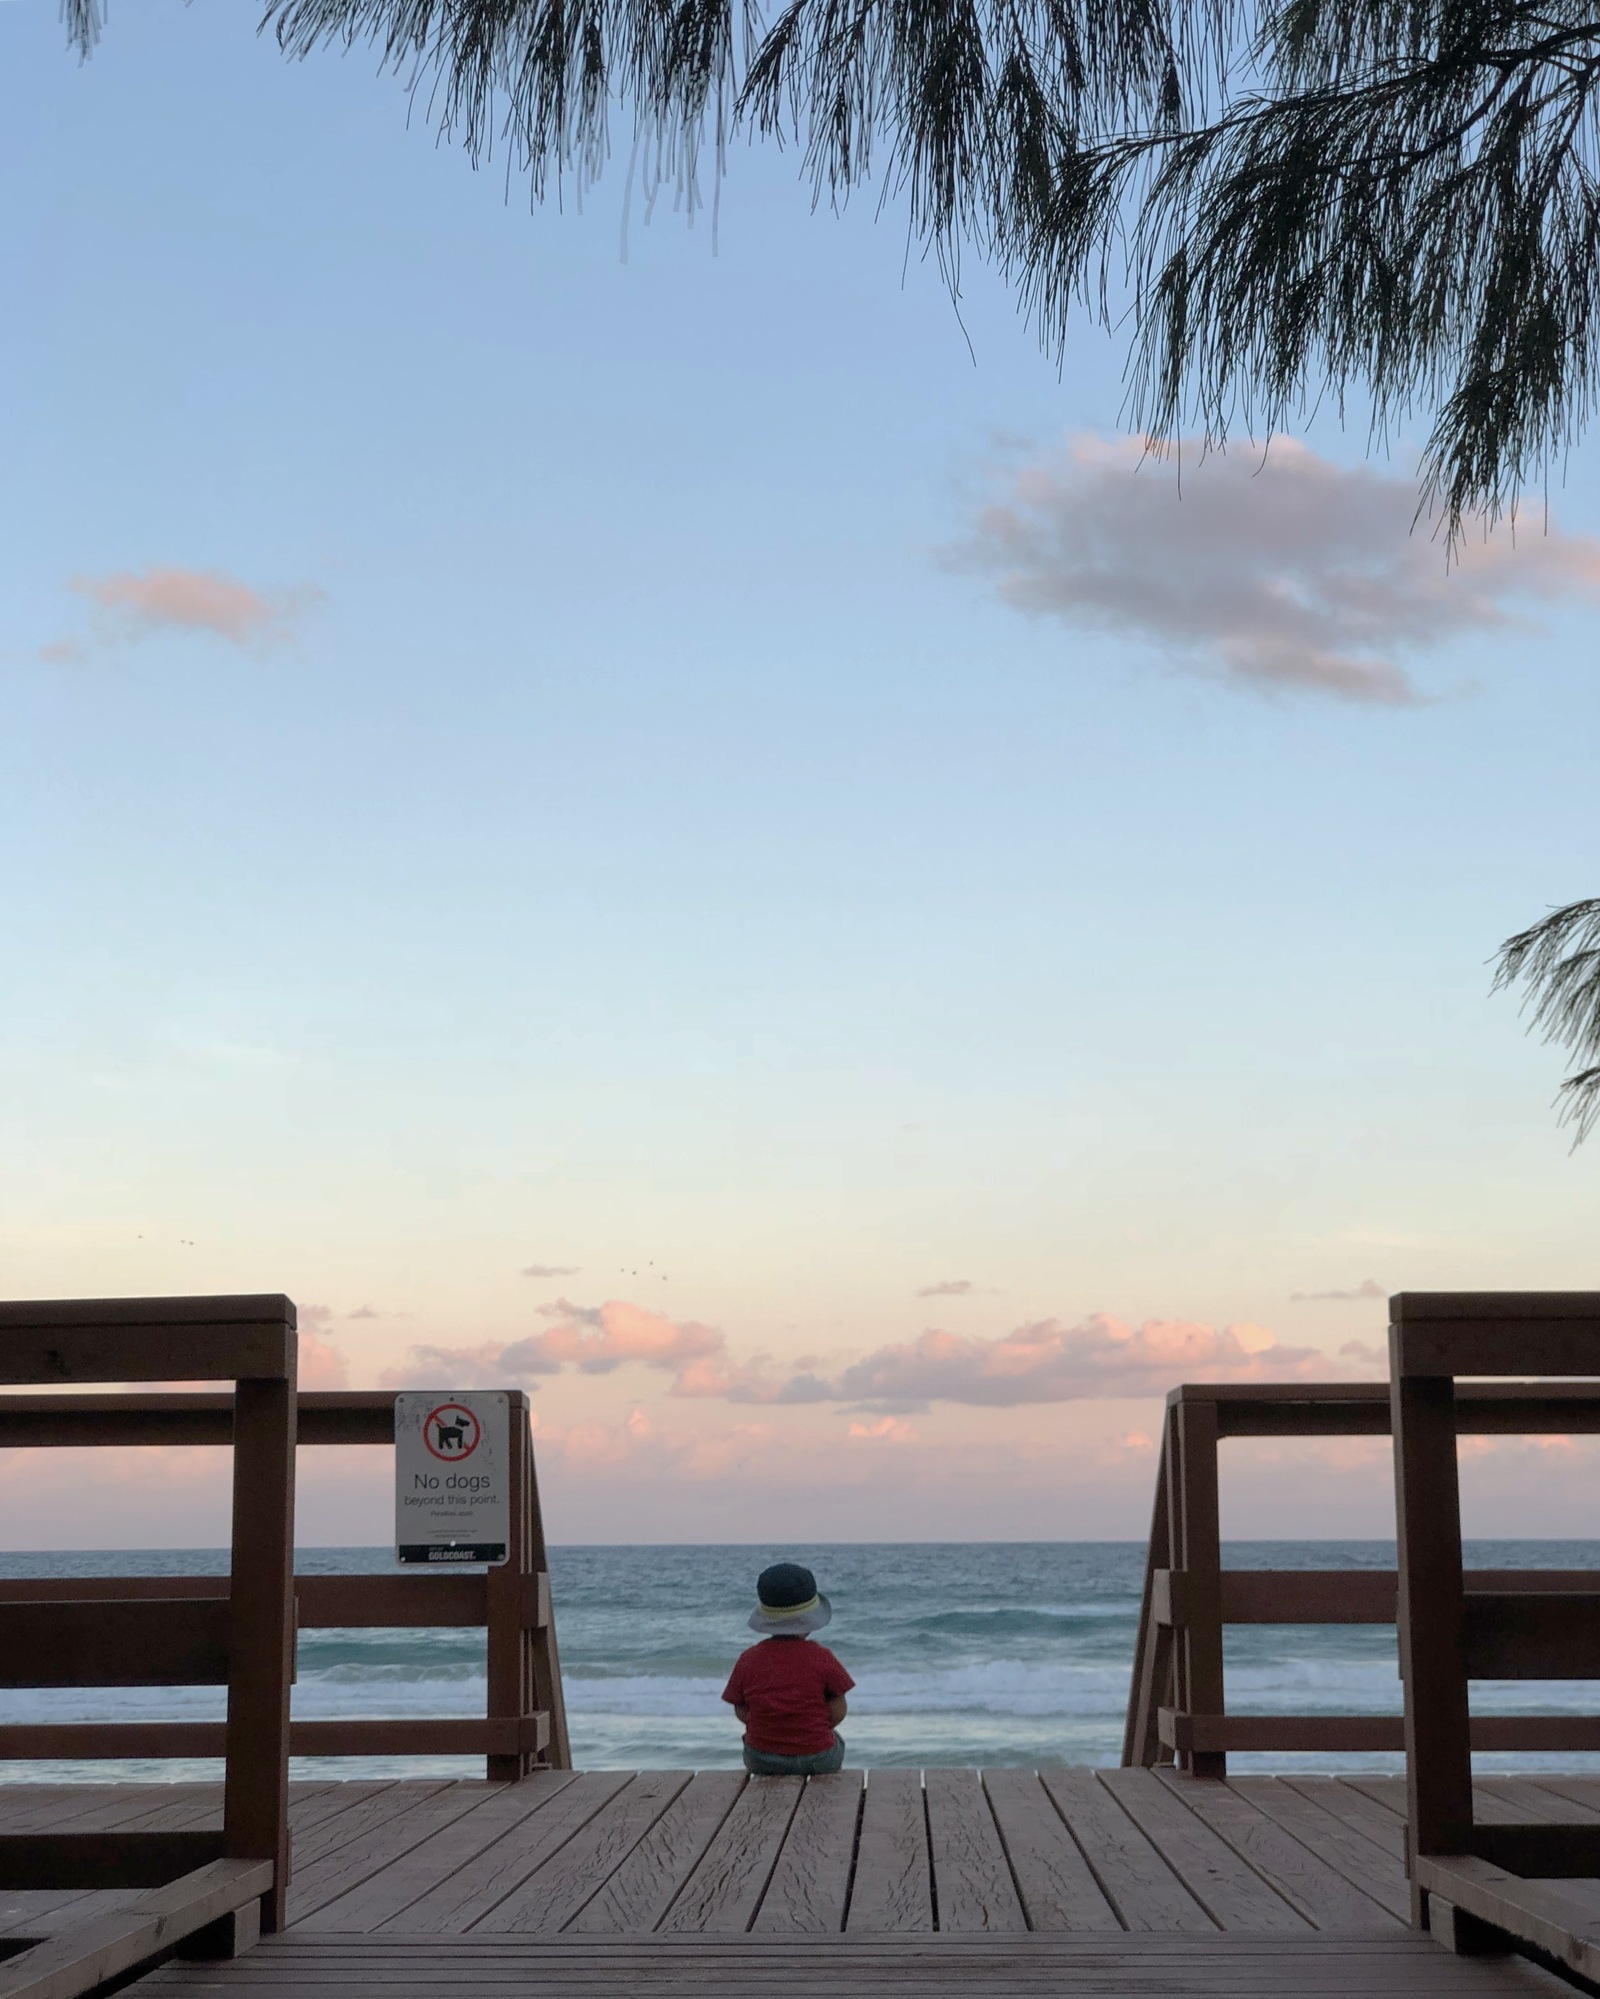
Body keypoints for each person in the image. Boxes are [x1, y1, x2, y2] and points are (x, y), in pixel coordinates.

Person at [721, 1561, 854, 1775]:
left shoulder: (748, 1659)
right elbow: (838, 1710)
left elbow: (741, 1710)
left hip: (762, 1759)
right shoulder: (822, 1656)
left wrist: (770, 1729)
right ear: (811, 1619)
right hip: (818, 1758)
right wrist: (812, 1732)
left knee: (752, 1743)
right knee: (836, 1742)